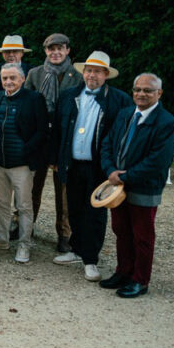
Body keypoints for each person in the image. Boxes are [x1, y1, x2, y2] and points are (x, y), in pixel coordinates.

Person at [51, 52, 131, 281]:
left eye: (97, 71)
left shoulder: (119, 99)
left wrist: (115, 166)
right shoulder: (69, 96)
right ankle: (76, 249)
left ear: (106, 74)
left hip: (99, 167)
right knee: (74, 208)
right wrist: (57, 159)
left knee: (95, 212)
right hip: (73, 163)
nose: (91, 75)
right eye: (88, 70)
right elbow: (58, 129)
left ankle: (91, 259)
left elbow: (121, 137)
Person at [99, 73, 174, 298]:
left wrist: (126, 176)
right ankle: (123, 272)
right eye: (138, 89)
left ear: (159, 93)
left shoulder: (166, 123)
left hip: (144, 187)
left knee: (142, 236)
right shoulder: (125, 114)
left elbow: (158, 161)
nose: (141, 94)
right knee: (121, 231)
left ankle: (140, 280)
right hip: (118, 186)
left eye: (148, 90)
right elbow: (107, 144)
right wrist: (110, 171)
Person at [0, 64, 48, 263]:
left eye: (12, 78)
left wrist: (25, 151)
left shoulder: (34, 99)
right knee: (1, 203)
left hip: (22, 165)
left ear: (23, 79)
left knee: (24, 206)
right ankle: (1, 238)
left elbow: (42, 131)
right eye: (5, 78)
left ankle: (24, 244)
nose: (8, 82)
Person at [25, 33, 83, 252]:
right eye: (51, 49)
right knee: (32, 187)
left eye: (60, 48)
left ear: (67, 50)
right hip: (40, 137)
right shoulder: (35, 74)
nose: (55, 52)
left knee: (64, 189)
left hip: (65, 139)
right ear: (46, 51)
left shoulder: (77, 75)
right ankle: (26, 226)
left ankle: (64, 234)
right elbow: (28, 105)